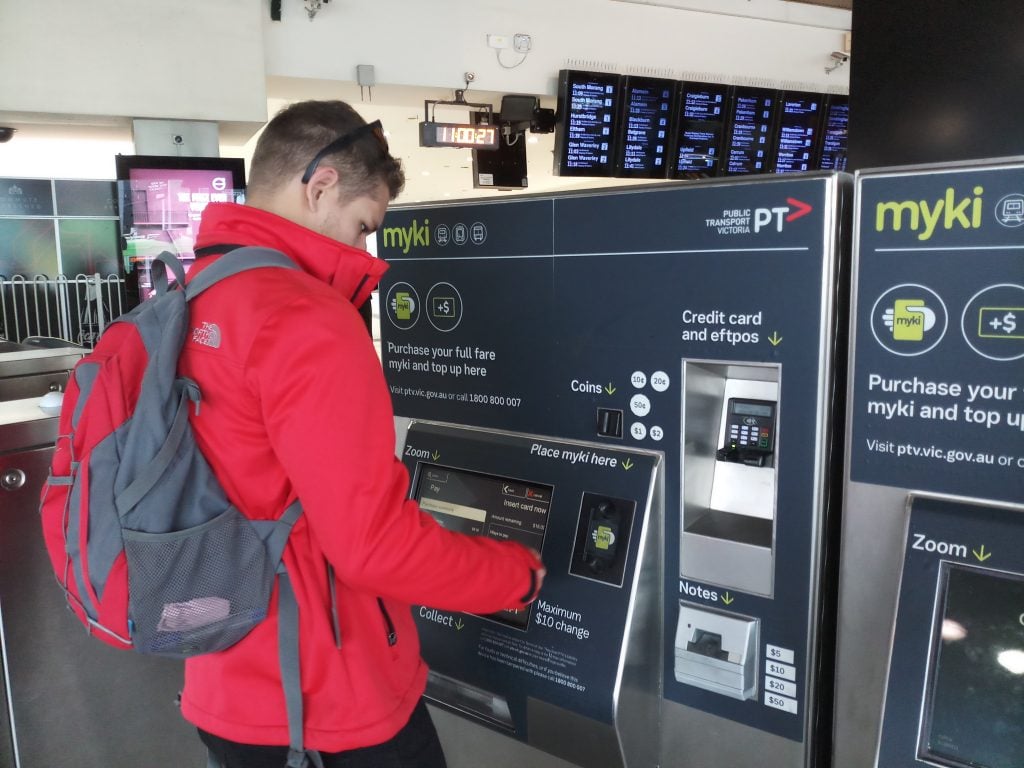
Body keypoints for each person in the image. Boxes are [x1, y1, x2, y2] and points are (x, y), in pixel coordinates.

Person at [176, 100, 546, 768]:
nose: (362, 250)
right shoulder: (304, 318)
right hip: (328, 702)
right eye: (361, 225)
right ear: (318, 187)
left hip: (224, 682)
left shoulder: (188, 295)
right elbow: (372, 548)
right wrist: (515, 577)